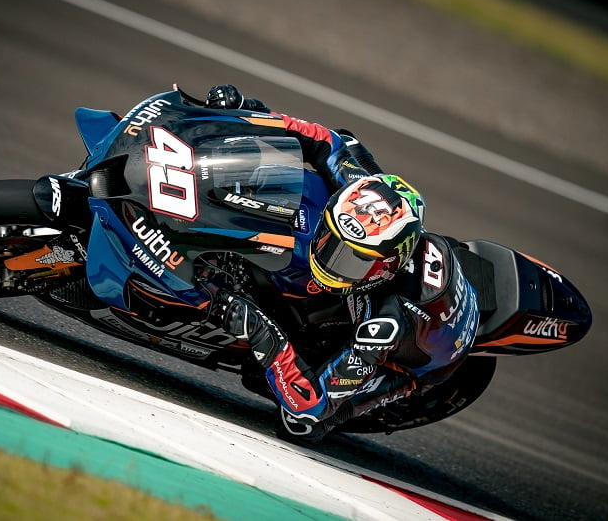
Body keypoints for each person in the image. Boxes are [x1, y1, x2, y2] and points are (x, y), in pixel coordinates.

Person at [205, 85, 480, 444]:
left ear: (384, 267)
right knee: (342, 147)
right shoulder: (363, 189)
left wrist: (258, 330)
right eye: (331, 241)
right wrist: (250, 111)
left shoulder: (384, 324)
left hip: (424, 357)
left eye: (350, 260)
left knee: (303, 425)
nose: (330, 260)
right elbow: (326, 140)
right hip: (416, 268)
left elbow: (310, 403)